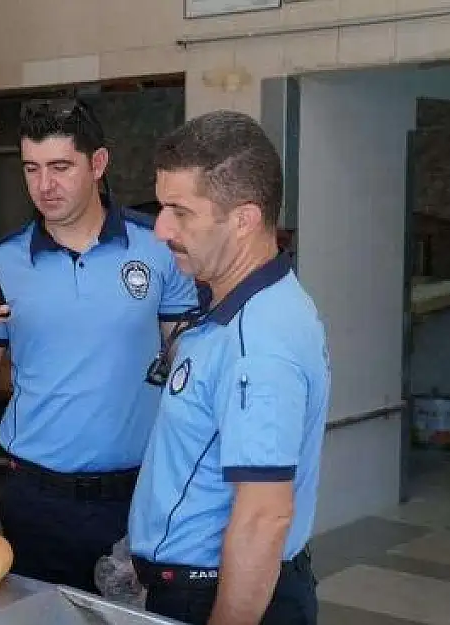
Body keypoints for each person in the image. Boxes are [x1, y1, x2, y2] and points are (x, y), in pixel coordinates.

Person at [0, 97, 200, 593]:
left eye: (60, 167)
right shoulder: (4, 261)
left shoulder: (159, 248)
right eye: (32, 169)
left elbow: (184, 371)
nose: (45, 185)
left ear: (97, 164)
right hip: (36, 499)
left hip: (137, 495)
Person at [128, 110, 331, 625]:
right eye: (160, 206)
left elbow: (264, 515)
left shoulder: (259, 339)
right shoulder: (242, 305)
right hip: (195, 582)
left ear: (243, 219)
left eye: (180, 212)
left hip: (219, 597)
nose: (160, 229)